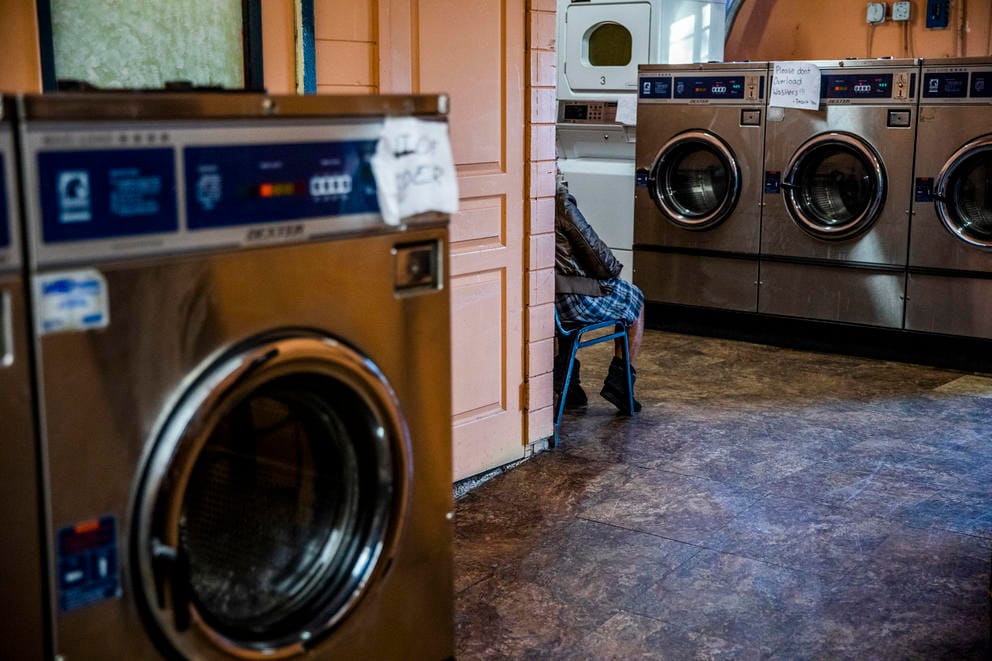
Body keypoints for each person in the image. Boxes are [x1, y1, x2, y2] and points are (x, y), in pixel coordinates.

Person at [554, 178, 645, 413]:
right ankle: (620, 383)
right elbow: (590, 246)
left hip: (542, 299)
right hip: (569, 298)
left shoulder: (521, 200)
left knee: (568, 315)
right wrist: (613, 271)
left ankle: (567, 383)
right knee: (634, 297)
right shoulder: (559, 201)